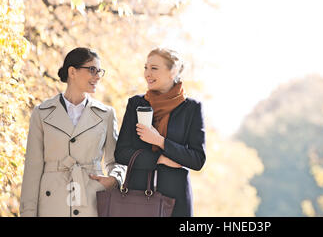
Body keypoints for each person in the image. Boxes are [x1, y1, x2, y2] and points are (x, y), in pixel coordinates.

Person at [20, 47, 126, 217]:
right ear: (72, 72)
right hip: (51, 203)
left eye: (99, 71)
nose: (97, 76)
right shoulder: (42, 113)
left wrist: (114, 179)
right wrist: (28, 213)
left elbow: (117, 160)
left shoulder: (106, 114)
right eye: (92, 70)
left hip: (92, 200)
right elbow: (32, 170)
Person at [114, 47, 206, 217]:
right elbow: (121, 153)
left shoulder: (192, 108)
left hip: (177, 201)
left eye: (154, 68)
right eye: (146, 68)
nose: (147, 74)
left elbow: (197, 159)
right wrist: (160, 159)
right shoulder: (136, 104)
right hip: (137, 198)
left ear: (173, 71)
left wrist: (160, 141)